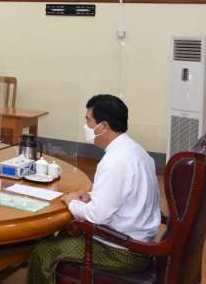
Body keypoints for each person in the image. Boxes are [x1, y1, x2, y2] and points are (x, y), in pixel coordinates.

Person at [27, 94, 160, 283]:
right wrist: (90, 196)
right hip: (140, 241)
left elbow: (97, 217)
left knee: (43, 253)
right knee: (63, 235)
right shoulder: (136, 151)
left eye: (88, 120)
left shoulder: (114, 161)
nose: (86, 126)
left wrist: (72, 202)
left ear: (103, 126)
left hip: (123, 251)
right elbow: (123, 195)